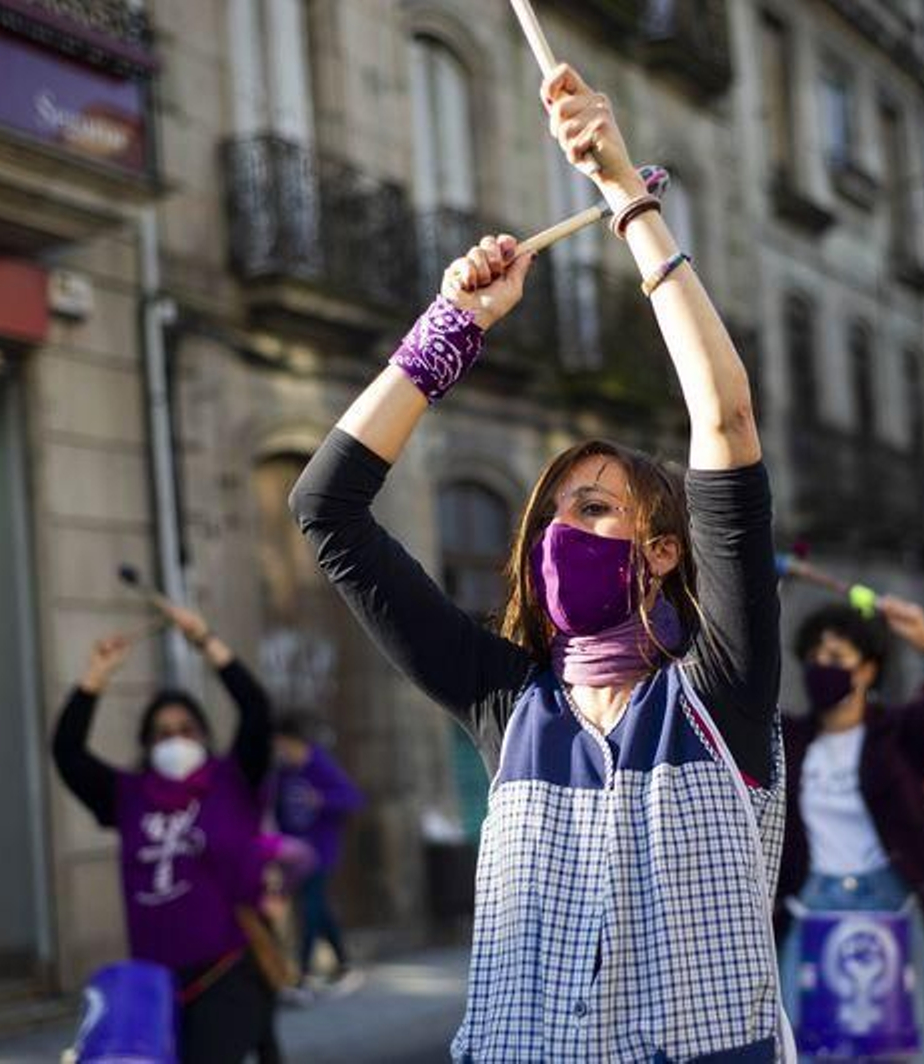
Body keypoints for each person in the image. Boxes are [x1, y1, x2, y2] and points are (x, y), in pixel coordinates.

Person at [288, 61, 788, 1061]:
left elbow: (724, 417)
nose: (561, 528)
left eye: (593, 507)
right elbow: (327, 507)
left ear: (659, 551)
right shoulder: (508, 702)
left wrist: (621, 193)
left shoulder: (721, 692)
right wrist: (451, 329)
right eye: (550, 512)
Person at [52, 602, 278, 1064]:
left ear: (203, 735)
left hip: (226, 972)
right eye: (161, 733)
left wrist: (204, 640)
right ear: (146, 744)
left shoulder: (231, 781)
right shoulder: (128, 795)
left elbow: (256, 711)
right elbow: (68, 752)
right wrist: (95, 677)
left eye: (185, 729)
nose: (174, 739)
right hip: (153, 986)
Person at [777, 599, 924, 1056]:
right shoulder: (787, 739)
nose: (821, 668)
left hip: (893, 902)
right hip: (811, 905)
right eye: (813, 659)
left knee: (902, 1044)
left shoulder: (900, 732)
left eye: (835, 658)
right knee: (808, 1044)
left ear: (868, 670)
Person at [271, 714, 366, 993]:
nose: (282, 752)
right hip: (294, 856)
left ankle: (301, 973)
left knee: (310, 909)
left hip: (321, 852)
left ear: (296, 742)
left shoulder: (320, 765)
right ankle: (343, 962)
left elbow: (353, 798)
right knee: (319, 909)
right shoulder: (283, 773)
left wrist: (321, 799)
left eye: (285, 746)